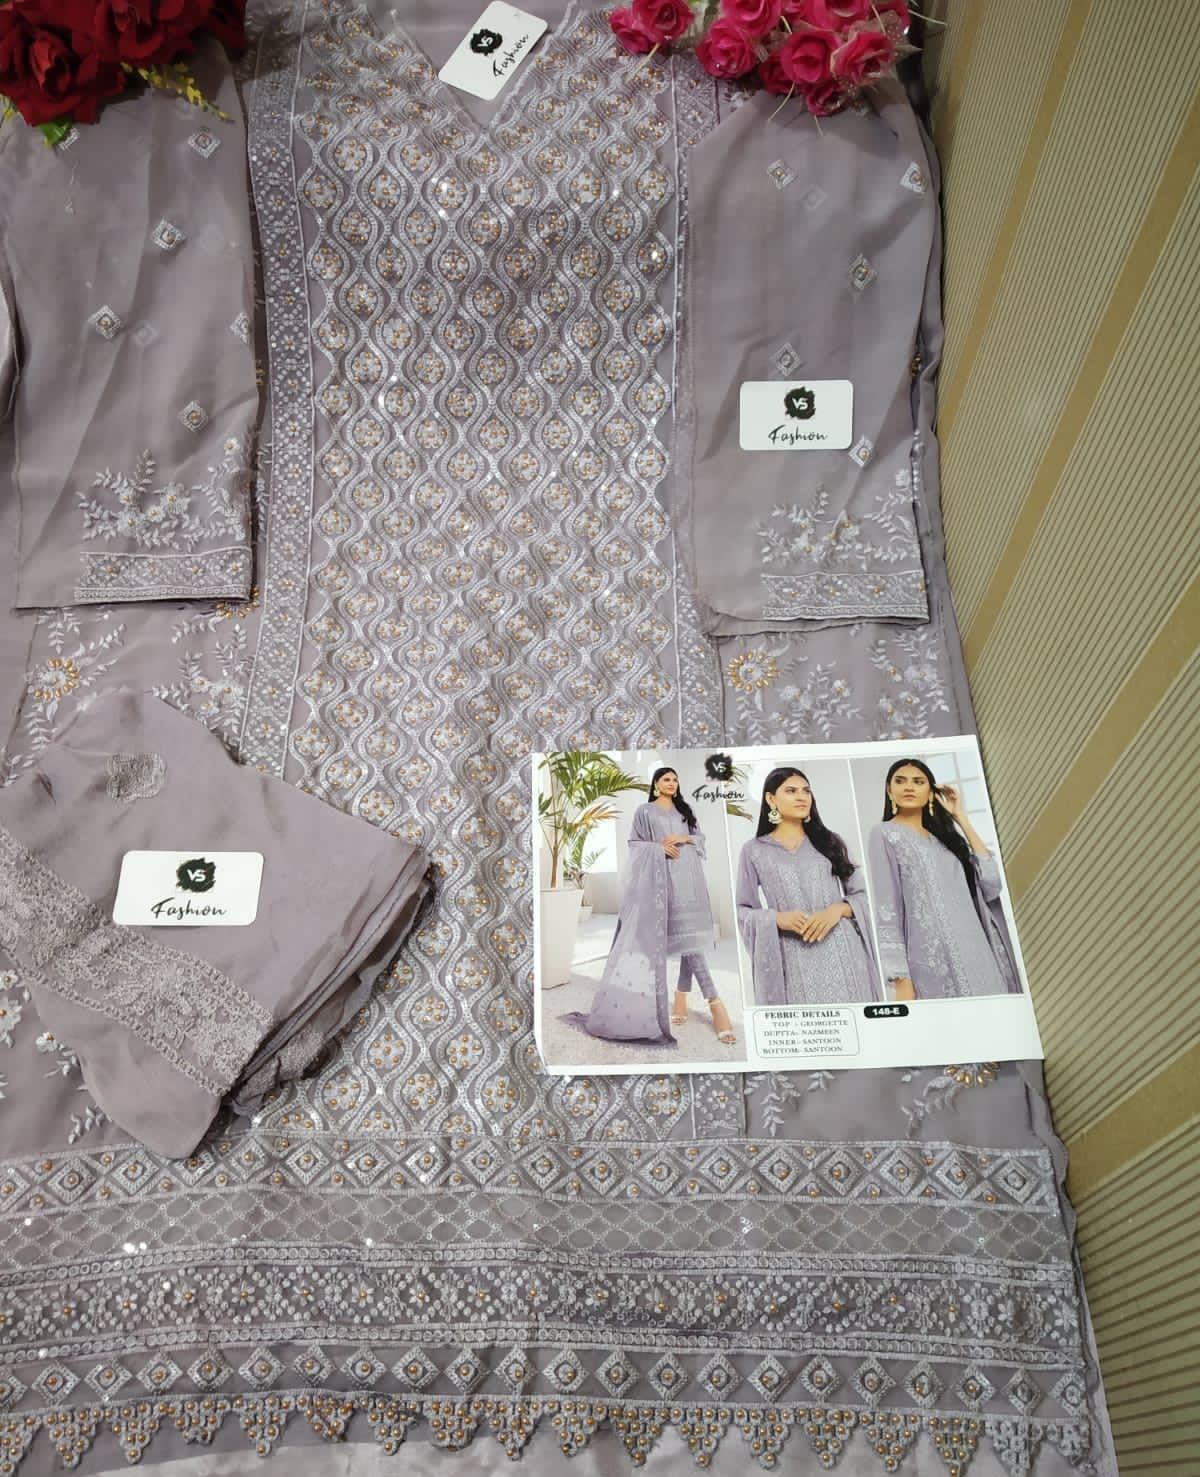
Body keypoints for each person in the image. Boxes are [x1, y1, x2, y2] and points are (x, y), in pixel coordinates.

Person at [568, 767, 736, 1045]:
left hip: (690, 879)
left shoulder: (685, 811)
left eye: (675, 779)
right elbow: (635, 844)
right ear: (656, 784)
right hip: (662, 882)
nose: (672, 783)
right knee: (687, 940)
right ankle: (715, 1003)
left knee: (690, 939)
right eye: (666, 779)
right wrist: (657, 849)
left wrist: (684, 838)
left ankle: (681, 997)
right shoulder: (645, 811)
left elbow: (700, 839)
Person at [867, 758, 1022, 1000]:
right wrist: (901, 979)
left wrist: (961, 818)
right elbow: (887, 908)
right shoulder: (884, 833)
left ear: (930, 793)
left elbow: (991, 884)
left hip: (978, 955)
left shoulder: (946, 843)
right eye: (900, 781)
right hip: (931, 961)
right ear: (889, 790)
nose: (909, 787)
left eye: (918, 782)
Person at [737, 766, 879, 1005]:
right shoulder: (754, 850)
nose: (802, 797)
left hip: (843, 951)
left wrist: (836, 910)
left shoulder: (830, 842)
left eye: (806, 791)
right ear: (771, 799)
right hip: (791, 957)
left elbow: (863, 896)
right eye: (791, 791)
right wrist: (777, 918)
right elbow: (742, 909)